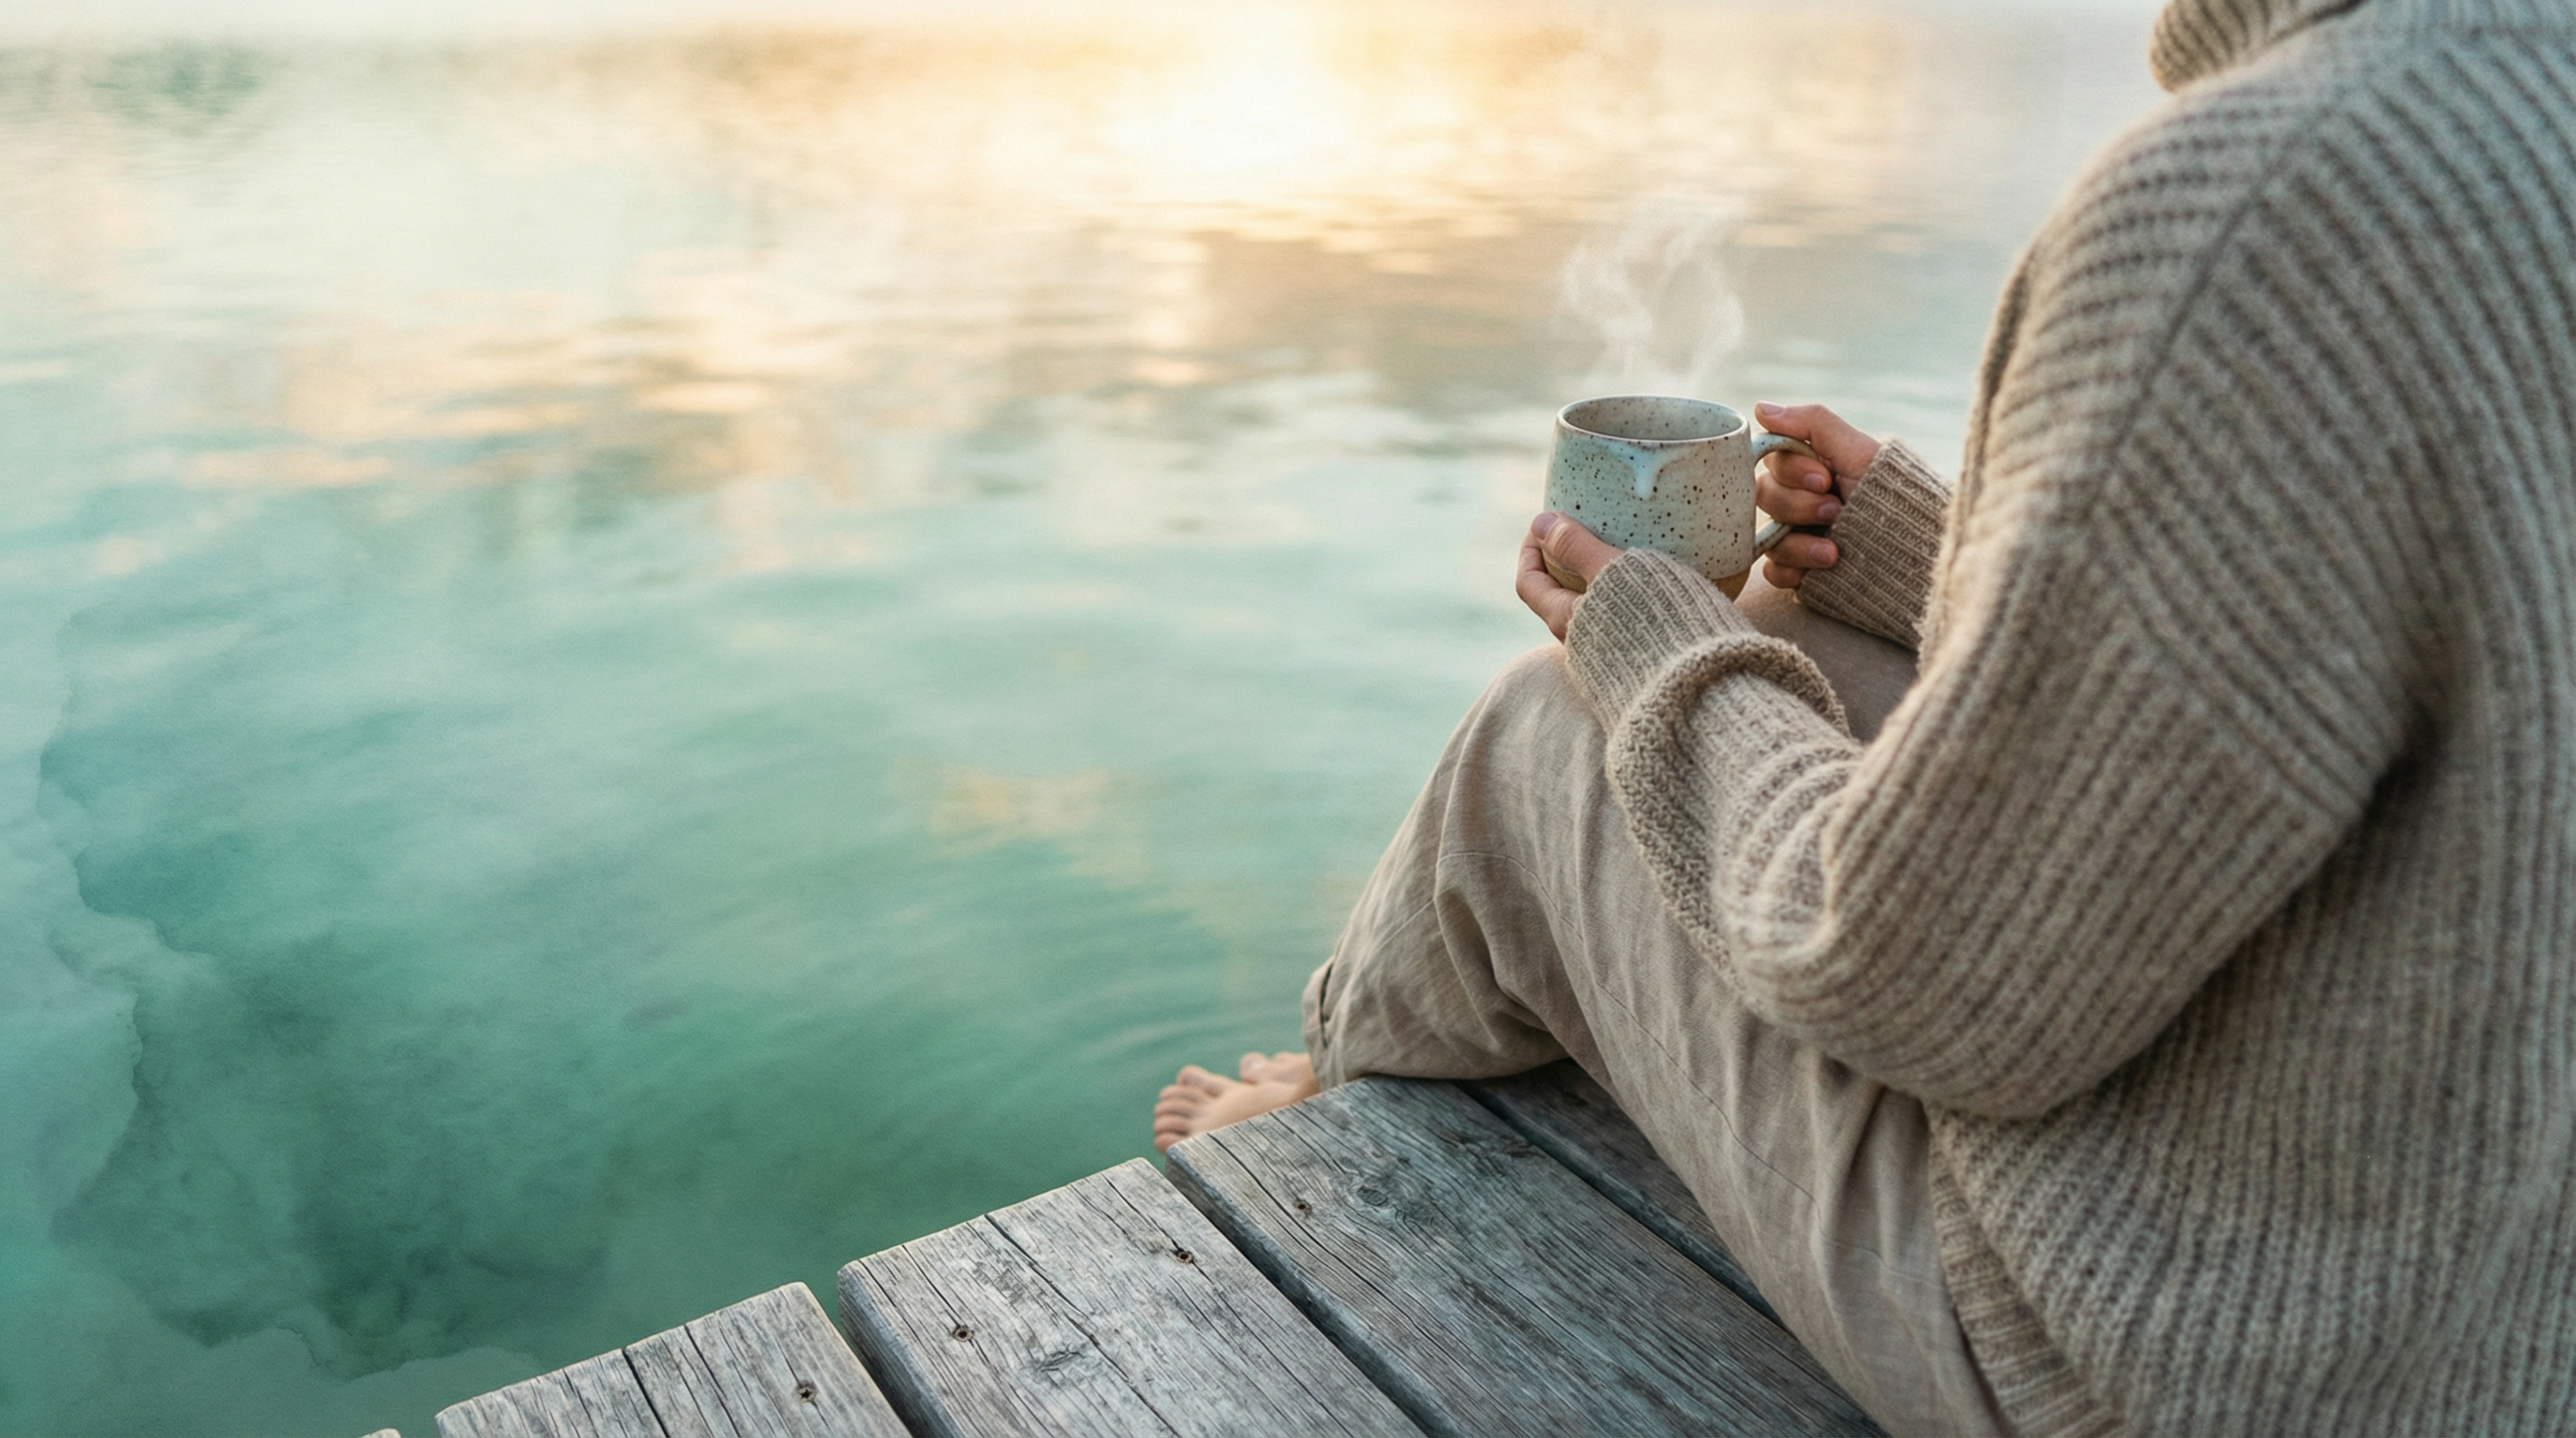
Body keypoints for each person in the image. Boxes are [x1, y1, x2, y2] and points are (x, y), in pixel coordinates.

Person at [1154, 0, 2576, 1431]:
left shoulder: (2263, 197)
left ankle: (1329, 1085)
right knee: (1807, 621)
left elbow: (1939, 989)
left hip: (2209, 1362)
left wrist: (1654, 661)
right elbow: (2384, 655)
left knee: (1548, 729)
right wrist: (1947, 561)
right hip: (2496, 1278)